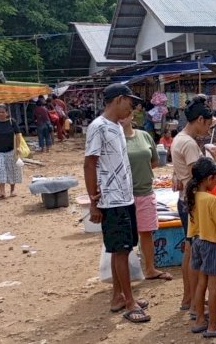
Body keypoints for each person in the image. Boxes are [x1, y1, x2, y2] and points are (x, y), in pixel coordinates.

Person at [83, 84, 151, 323]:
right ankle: (129, 302)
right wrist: (93, 203)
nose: (131, 108)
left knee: (120, 249)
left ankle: (118, 296)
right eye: (129, 103)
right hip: (112, 201)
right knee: (121, 251)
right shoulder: (98, 127)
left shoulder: (117, 127)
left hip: (125, 197)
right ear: (118, 99)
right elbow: (89, 164)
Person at [171, 95, 216, 319]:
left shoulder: (180, 139)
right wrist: (215, 160)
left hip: (187, 201)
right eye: (208, 124)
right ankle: (196, 302)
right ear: (200, 119)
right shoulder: (189, 143)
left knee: (191, 250)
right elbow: (200, 179)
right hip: (194, 204)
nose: (208, 129)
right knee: (196, 254)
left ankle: (190, 299)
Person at [120, 112, 173, 282]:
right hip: (122, 195)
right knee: (125, 237)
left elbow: (155, 161)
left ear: (132, 116)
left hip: (145, 191)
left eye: (126, 112)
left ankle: (150, 269)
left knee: (146, 233)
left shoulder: (144, 136)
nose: (123, 116)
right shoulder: (114, 139)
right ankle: (126, 273)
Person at [186, 157, 216, 338]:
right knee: (214, 286)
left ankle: (200, 320)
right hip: (212, 244)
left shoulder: (192, 197)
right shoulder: (210, 200)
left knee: (201, 283)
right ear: (210, 178)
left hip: (197, 242)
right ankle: (213, 325)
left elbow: (192, 226)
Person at [0, 104, 22, 199]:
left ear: (7, 113)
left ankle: (12, 190)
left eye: (3, 112)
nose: (0, 114)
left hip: (11, 151)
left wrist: (18, 147)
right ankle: (2, 191)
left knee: (12, 170)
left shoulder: (12, 122)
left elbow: (18, 134)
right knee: (0, 169)